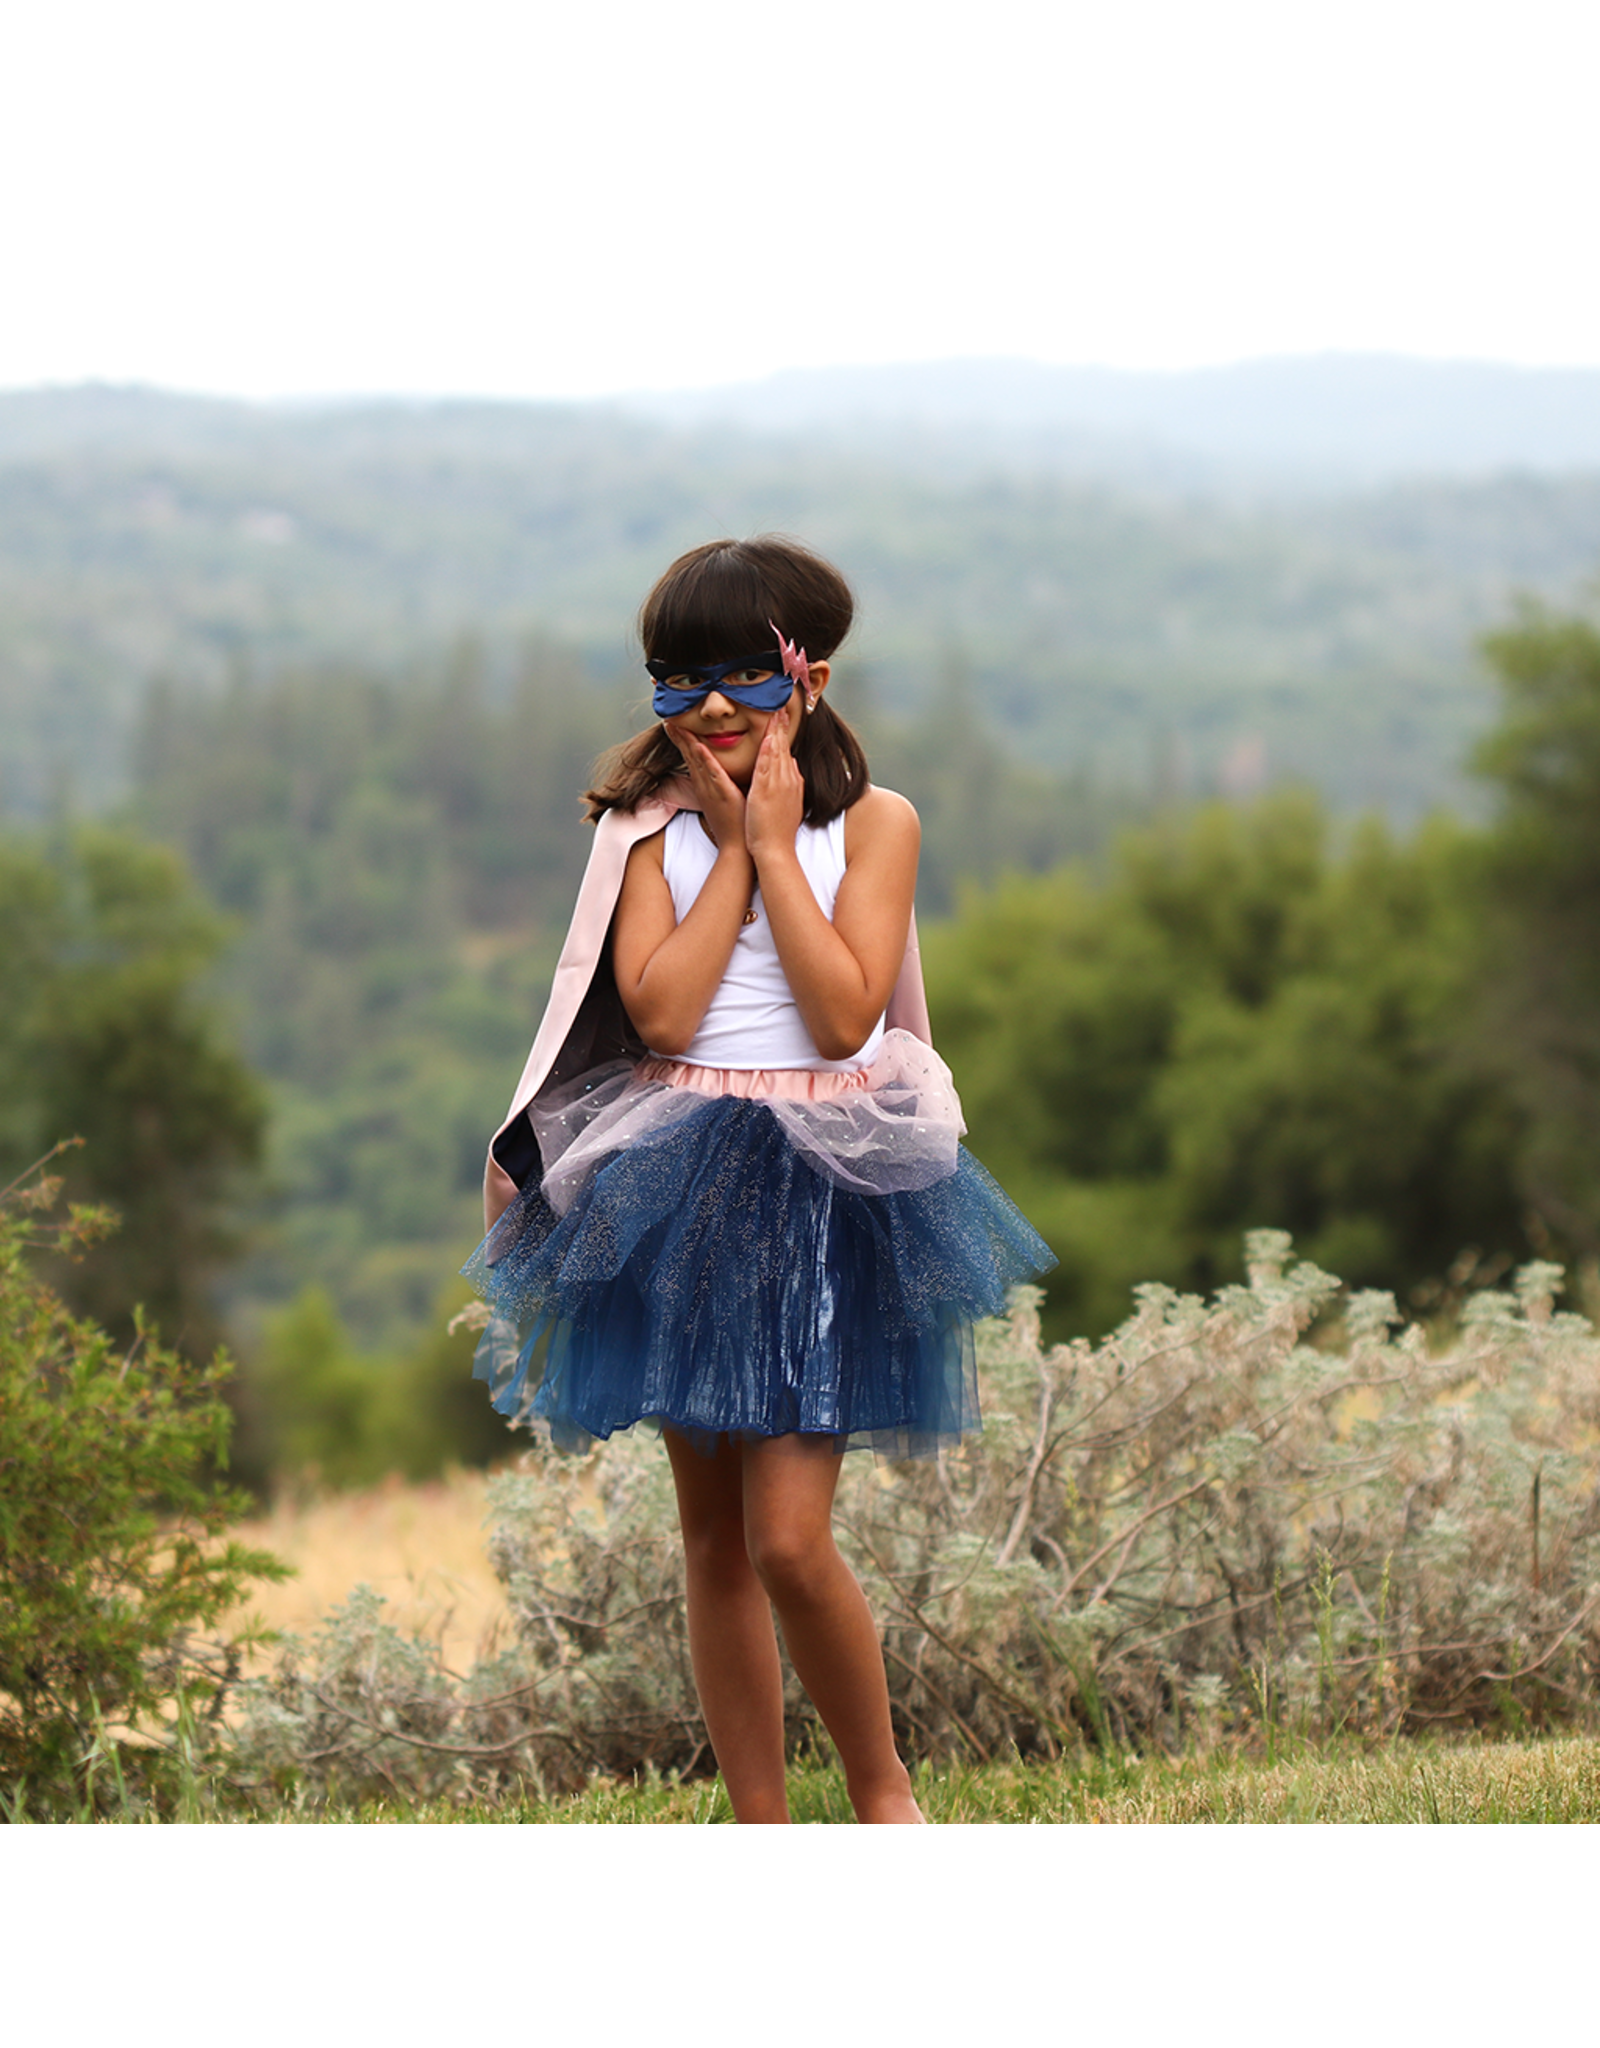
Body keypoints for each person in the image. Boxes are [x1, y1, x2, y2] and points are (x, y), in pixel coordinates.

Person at [464, 535, 1054, 1823]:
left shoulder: (877, 825)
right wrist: (730, 846)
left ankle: (885, 1794)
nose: (712, 707)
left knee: (788, 1537)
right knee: (715, 1539)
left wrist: (780, 849)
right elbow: (664, 1015)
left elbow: (843, 1019)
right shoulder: (645, 835)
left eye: (743, 675)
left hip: (824, 1183)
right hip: (680, 1180)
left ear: (810, 678)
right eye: (680, 681)